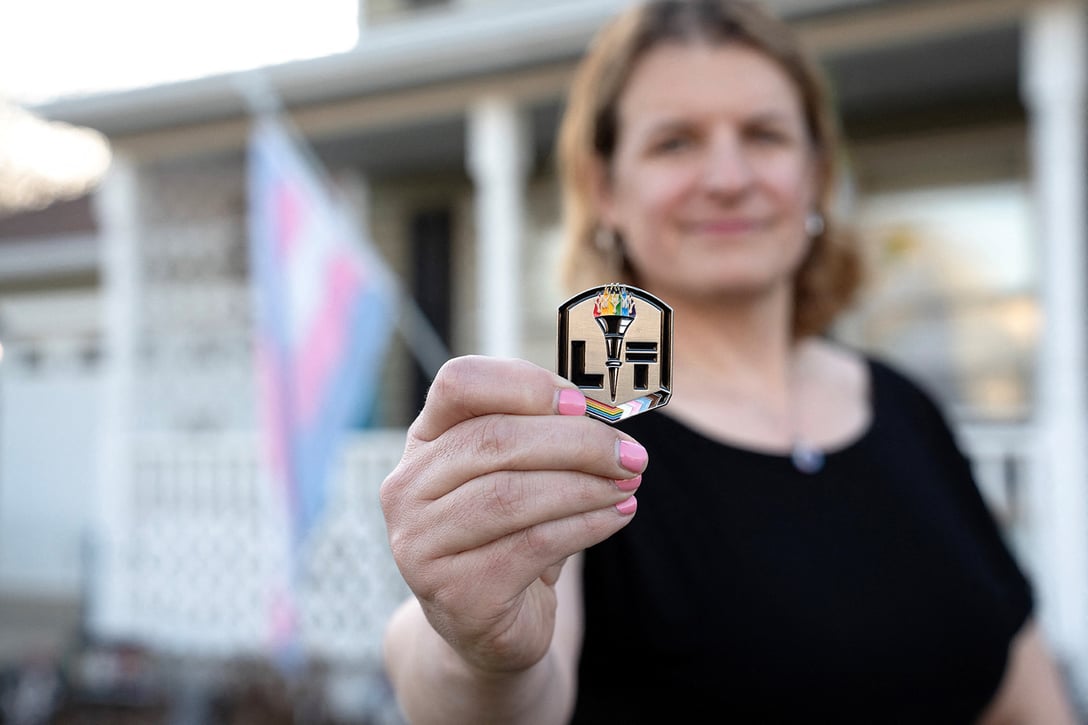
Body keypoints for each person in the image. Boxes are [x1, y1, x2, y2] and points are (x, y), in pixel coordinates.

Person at [378, 0, 1078, 721]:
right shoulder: (588, 432)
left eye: (765, 134)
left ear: (814, 175)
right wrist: (472, 648)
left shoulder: (907, 409)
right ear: (606, 190)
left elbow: (1028, 694)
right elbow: (470, 677)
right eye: (675, 142)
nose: (727, 175)